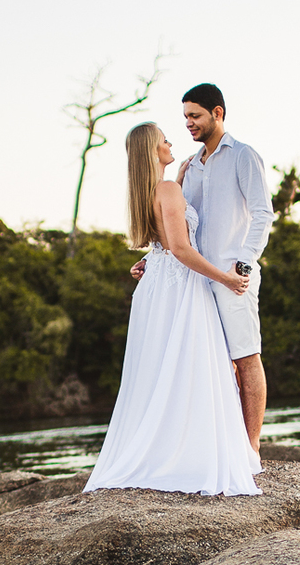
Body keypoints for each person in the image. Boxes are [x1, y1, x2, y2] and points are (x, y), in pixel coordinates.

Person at [85, 122, 261, 497]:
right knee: (193, 366)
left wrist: (148, 260)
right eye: (164, 139)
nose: (170, 142)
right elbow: (181, 250)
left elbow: (163, 246)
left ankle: (169, 447)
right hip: (181, 287)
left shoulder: (153, 189)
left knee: (163, 370)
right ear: (152, 149)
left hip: (157, 289)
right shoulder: (166, 189)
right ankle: (192, 453)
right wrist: (226, 278)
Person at [134, 83, 273, 450]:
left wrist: (243, 265)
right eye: (185, 118)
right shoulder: (188, 168)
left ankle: (252, 447)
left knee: (246, 357)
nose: (189, 124)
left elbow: (263, 213)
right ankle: (225, 446)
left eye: (195, 116)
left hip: (233, 276)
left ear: (218, 113)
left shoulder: (243, 156)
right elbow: (178, 230)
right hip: (194, 280)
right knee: (215, 364)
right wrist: (150, 259)